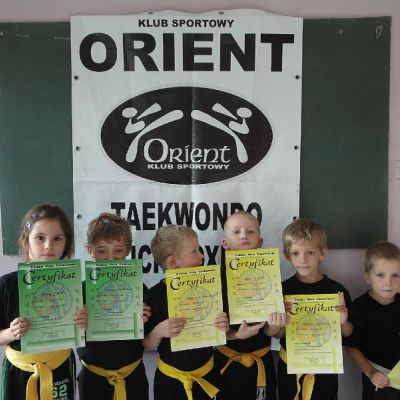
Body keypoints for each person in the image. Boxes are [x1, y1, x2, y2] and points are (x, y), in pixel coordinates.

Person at [0, 204, 87, 400]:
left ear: (66, 243)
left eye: (57, 238)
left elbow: (87, 332)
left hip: (60, 369)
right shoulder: (7, 285)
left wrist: (84, 323)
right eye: (40, 238)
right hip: (19, 373)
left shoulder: (75, 287)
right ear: (26, 240)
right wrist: (11, 333)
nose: (49, 246)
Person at [144, 224, 229, 400]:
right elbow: (146, 345)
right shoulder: (154, 296)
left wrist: (222, 325)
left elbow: (219, 332)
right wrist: (159, 330)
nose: (202, 256)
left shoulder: (210, 287)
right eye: (194, 251)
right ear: (173, 262)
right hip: (169, 382)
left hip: (207, 375)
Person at [277, 218, 354, 400]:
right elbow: (277, 334)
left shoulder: (337, 291)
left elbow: (349, 333)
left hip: (325, 371)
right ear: (287, 255)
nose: (302, 260)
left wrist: (343, 321)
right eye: (295, 253)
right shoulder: (281, 290)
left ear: (322, 253)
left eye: (310, 252)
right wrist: (280, 321)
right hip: (290, 369)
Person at [77, 212, 151, 400]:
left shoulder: (139, 288)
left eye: (118, 250)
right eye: (102, 251)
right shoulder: (80, 291)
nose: (111, 258)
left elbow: (150, 340)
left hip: (132, 376)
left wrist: (143, 321)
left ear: (128, 250)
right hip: (93, 379)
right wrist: (78, 325)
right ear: (90, 250)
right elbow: (68, 336)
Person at [214, 211, 287, 400]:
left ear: (260, 242)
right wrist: (234, 334)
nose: (244, 235)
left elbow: (274, 333)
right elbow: (207, 332)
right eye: (236, 231)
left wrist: (274, 327)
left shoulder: (271, 277)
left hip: (261, 363)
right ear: (225, 243)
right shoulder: (214, 281)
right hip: (225, 365)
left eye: (250, 231)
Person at [345, 241, 400, 400]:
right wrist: (371, 372)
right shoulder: (359, 307)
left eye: (395, 275)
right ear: (368, 277)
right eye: (381, 275)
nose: (388, 282)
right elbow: (351, 346)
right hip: (377, 381)